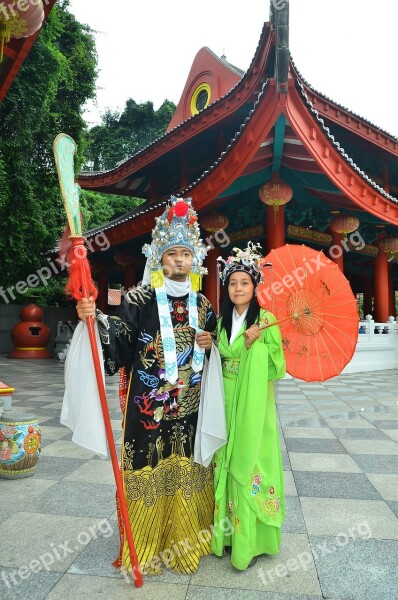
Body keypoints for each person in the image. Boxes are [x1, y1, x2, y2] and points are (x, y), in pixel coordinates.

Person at [76, 197, 221, 576]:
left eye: (185, 254)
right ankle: (146, 547)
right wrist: (95, 322)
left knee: (189, 468)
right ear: (158, 258)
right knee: (147, 468)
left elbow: (217, 348)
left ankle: (186, 542)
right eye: (171, 253)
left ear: (195, 260)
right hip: (148, 411)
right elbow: (120, 344)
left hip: (191, 407)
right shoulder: (138, 299)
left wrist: (212, 343)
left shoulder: (204, 304)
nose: (179, 260)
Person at [210, 242, 286, 570]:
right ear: (226, 288)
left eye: (244, 283)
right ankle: (227, 536)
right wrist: (208, 345)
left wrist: (258, 346)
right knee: (224, 458)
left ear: (255, 287)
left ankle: (250, 541)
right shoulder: (220, 321)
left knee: (250, 459)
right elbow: (217, 356)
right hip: (223, 398)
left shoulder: (266, 320)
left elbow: (277, 365)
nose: (238, 288)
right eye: (232, 283)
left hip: (254, 403)